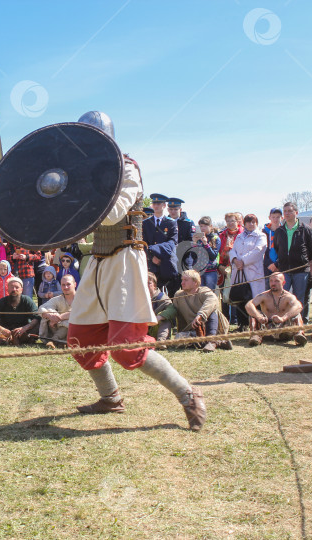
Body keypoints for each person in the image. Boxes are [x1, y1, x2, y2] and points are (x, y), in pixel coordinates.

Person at [66, 111, 205, 432]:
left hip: (126, 261)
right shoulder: (82, 171)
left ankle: (189, 394)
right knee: (80, 338)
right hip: (99, 262)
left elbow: (113, 213)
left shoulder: (127, 168)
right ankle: (110, 398)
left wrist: (76, 200)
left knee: (127, 345)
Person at [270, 202, 312, 323]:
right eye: (285, 211)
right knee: (283, 298)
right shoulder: (279, 231)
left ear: (296, 212)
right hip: (284, 269)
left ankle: (301, 323)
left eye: (290, 211)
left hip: (301, 270)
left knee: (300, 298)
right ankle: (284, 323)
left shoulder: (306, 229)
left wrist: (304, 260)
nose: (287, 213)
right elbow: (277, 248)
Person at [172, 270, 232, 352]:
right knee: (178, 339)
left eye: (186, 280)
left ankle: (211, 340)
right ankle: (219, 342)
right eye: (182, 280)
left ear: (195, 282)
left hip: (215, 327)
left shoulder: (204, 291)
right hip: (194, 331)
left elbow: (212, 300)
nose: (182, 283)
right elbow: (174, 310)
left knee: (212, 310)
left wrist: (200, 315)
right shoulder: (178, 295)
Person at [245, 272, 308, 347]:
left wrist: (283, 318)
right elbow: (249, 305)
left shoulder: (288, 296)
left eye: (277, 281)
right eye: (271, 281)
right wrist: (259, 317)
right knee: (253, 314)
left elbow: (298, 306)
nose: (273, 283)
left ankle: (299, 335)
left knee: (296, 314)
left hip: (284, 330)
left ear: (283, 282)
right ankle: (255, 337)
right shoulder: (264, 295)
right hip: (267, 330)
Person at [229, 214, 267, 329]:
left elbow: (258, 250)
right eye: (248, 222)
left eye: (253, 222)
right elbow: (233, 250)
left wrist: (243, 261)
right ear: (244, 224)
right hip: (240, 272)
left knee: (254, 298)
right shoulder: (240, 237)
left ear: (257, 223)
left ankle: (256, 322)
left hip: (253, 271)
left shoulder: (260, 236)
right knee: (241, 298)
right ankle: (242, 324)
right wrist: (235, 260)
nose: (251, 224)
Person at [142, 193, 179, 296]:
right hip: (151, 264)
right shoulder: (146, 223)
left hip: (167, 263)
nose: (156, 205)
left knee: (169, 296)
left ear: (164, 205)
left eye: (159, 203)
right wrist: (151, 256)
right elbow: (143, 244)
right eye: (154, 203)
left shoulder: (171, 223)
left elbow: (172, 243)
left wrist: (153, 249)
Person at [0, 277, 38, 345]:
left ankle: (4, 341)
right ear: (7, 289)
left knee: (37, 326)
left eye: (17, 287)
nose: (14, 289)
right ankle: (11, 340)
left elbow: (36, 317)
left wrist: (24, 328)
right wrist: (2, 329)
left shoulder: (27, 300)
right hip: (5, 331)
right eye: (11, 287)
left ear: (21, 290)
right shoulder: (2, 301)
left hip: (22, 331)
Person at [37, 274, 75, 348]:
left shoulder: (81, 299)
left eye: (68, 284)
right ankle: (60, 342)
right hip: (57, 327)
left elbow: (78, 313)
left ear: (75, 284)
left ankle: (54, 340)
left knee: (70, 321)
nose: (65, 287)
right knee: (47, 313)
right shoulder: (57, 299)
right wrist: (50, 315)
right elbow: (41, 308)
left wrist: (59, 317)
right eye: (63, 285)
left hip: (75, 330)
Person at [147, 272, 175, 345]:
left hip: (156, 329)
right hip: (143, 330)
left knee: (165, 320)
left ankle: (161, 342)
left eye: (149, 283)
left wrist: (159, 317)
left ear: (155, 285)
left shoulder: (162, 297)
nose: (146, 285)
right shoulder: (138, 297)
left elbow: (172, 309)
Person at [195, 216, 220, 291]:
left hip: (211, 271)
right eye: (201, 226)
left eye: (205, 226)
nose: (203, 228)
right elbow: (194, 256)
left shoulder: (216, 238)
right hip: (200, 271)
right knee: (199, 295)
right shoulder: (198, 239)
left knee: (210, 293)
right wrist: (194, 243)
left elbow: (213, 256)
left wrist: (206, 244)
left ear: (210, 226)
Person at [262, 208, 282, 288]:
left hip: (280, 265)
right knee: (268, 290)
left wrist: (277, 264)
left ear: (282, 218)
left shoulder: (284, 231)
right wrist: (269, 263)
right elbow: (263, 250)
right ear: (269, 217)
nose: (275, 219)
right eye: (273, 217)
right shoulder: (264, 232)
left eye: (278, 217)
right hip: (267, 265)